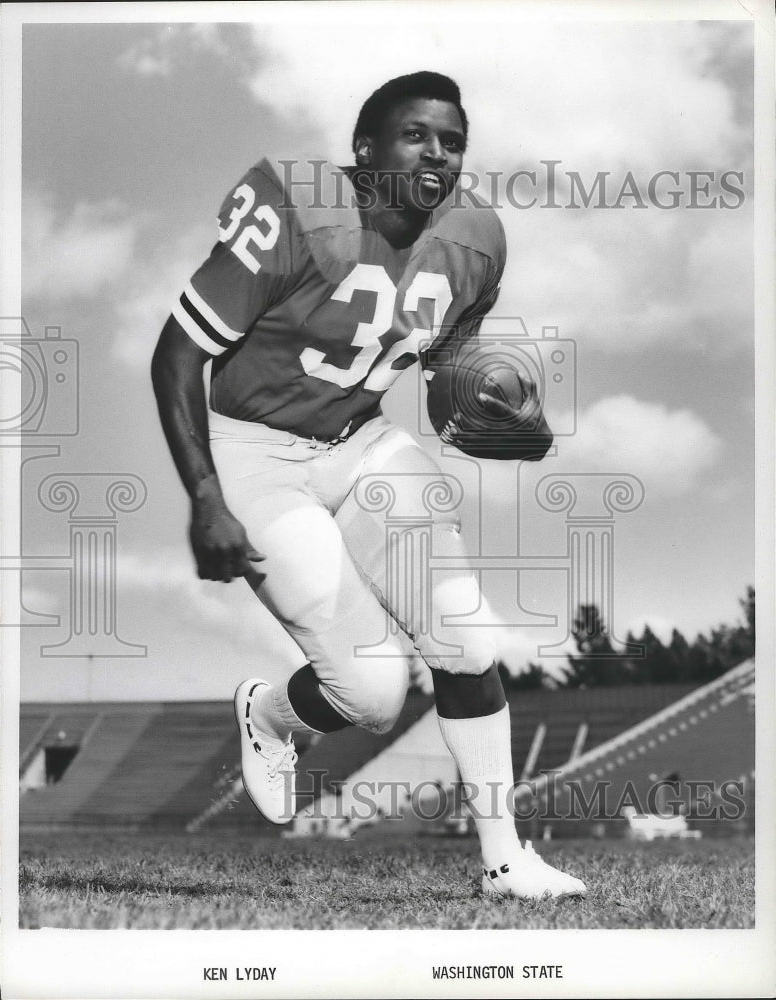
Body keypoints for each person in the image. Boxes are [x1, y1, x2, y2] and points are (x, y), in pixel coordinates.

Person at [151, 71, 586, 901]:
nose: (437, 154)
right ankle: (272, 713)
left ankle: (505, 862)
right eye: (415, 135)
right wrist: (205, 495)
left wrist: (496, 423)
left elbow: (442, 376)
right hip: (254, 452)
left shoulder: (475, 240)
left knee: (466, 640)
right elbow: (176, 353)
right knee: (375, 695)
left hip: (361, 443)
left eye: (451, 141)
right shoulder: (298, 209)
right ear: (363, 150)